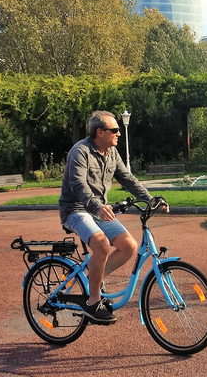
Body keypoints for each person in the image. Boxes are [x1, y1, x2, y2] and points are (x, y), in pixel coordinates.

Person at [58, 110, 168, 324]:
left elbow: (128, 179)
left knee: (129, 246)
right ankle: (93, 302)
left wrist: (150, 199)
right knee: (101, 244)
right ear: (100, 132)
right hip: (76, 209)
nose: (119, 133)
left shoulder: (112, 154)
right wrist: (97, 206)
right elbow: (78, 185)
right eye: (115, 130)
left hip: (97, 210)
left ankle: (93, 281)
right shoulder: (80, 152)